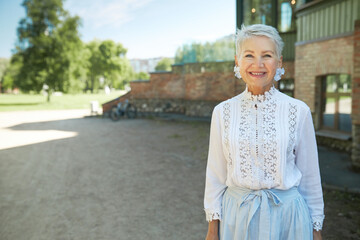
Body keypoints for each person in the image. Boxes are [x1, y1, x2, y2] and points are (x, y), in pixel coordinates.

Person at [204, 24, 324, 240]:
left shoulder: (298, 111)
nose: (257, 64)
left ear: (279, 62)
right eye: (249, 55)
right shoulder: (222, 112)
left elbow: (310, 176)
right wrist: (213, 229)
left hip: (288, 219)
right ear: (237, 61)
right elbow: (215, 175)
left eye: (266, 55)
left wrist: (316, 229)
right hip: (236, 218)